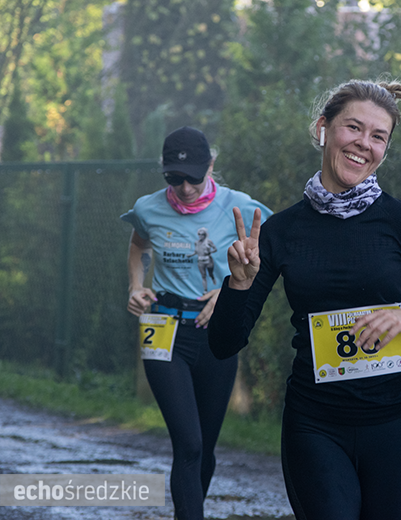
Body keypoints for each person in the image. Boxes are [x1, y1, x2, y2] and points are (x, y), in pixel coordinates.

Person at [207, 80, 401, 520]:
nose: (364, 144)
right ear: (324, 128)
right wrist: (239, 283)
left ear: (385, 148)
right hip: (315, 425)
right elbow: (224, 344)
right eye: (353, 128)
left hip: (396, 425)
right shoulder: (280, 232)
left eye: (378, 136)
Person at [121, 126, 272, 520]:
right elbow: (139, 245)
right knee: (187, 443)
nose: (185, 187)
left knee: (204, 448)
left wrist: (230, 290)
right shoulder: (149, 207)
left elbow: (270, 254)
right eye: (173, 177)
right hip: (163, 329)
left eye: (193, 177)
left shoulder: (239, 206)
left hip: (216, 335)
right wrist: (137, 285)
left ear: (212, 166)